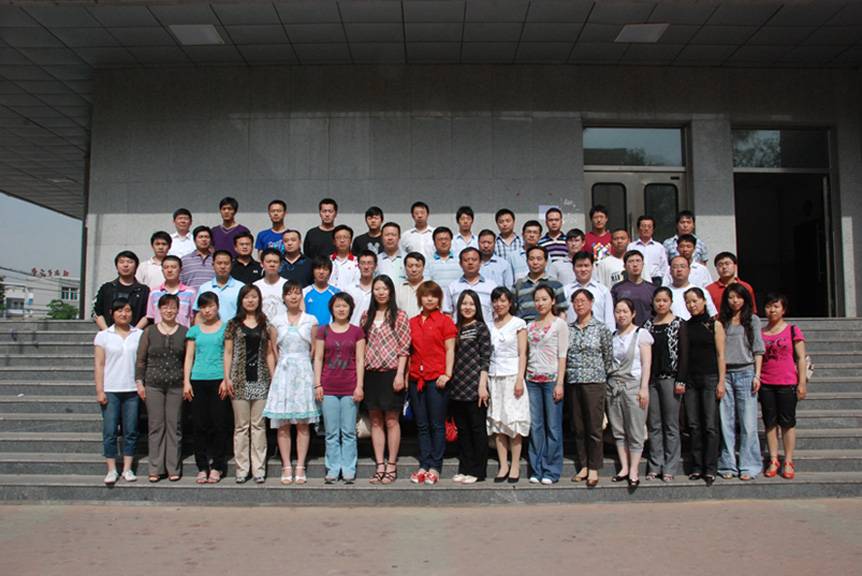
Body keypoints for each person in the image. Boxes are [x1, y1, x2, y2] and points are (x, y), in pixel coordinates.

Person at [263, 281, 320, 485]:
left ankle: (300, 465)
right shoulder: (276, 321)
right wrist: (275, 375)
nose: (293, 297)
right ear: (284, 297)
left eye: (297, 293)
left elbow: (314, 350)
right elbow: (272, 351)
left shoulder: (311, 320)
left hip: (303, 372)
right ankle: (286, 465)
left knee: (303, 424)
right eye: (289, 294)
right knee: (283, 424)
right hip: (283, 374)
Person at [223, 285, 276, 484]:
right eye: (247, 297)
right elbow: (228, 353)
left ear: (259, 300)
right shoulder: (233, 324)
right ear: (241, 300)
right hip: (239, 379)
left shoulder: (265, 324)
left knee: (259, 426)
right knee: (241, 426)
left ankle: (259, 468)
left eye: (254, 297)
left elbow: (269, 353)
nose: (250, 300)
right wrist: (226, 377)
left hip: (261, 379)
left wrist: (273, 377)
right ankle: (242, 469)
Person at [361, 275, 410, 484]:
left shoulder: (400, 316)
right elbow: (362, 345)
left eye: (384, 288)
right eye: (377, 289)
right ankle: (379, 463)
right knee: (375, 420)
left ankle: (391, 464)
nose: (381, 292)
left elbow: (404, 348)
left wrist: (400, 374)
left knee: (391, 420)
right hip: (371, 373)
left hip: (391, 373)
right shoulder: (366, 316)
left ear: (391, 291)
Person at [408, 280, 457, 486]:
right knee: (422, 425)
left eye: (434, 296)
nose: (429, 299)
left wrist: (447, 374)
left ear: (439, 299)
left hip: (437, 379)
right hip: (416, 378)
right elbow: (409, 351)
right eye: (426, 295)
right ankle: (424, 464)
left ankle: (435, 466)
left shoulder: (445, 321)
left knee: (437, 424)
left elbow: (450, 349)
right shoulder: (412, 322)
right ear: (420, 298)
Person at [314, 292, 365, 483]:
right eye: (337, 306)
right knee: (331, 432)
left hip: (350, 386)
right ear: (331, 309)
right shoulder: (323, 330)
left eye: (345, 306)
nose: (341, 309)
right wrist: (317, 384)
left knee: (349, 431)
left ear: (350, 309)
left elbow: (360, 360)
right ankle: (333, 468)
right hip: (328, 386)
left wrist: (359, 386)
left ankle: (349, 468)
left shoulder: (357, 332)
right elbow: (318, 358)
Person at [135, 294, 187, 483]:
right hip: (153, 384)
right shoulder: (149, 331)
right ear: (159, 309)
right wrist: (139, 382)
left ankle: (173, 467)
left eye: (172, 307)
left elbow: (188, 360)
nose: (169, 311)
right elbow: (141, 359)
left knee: (174, 426)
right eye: (165, 307)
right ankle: (155, 468)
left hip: (177, 384)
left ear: (178, 309)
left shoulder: (185, 332)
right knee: (156, 426)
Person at [565, 288, 613, 488]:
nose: (579, 304)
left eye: (583, 301)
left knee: (594, 427)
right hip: (574, 381)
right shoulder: (569, 329)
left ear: (591, 303)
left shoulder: (601, 328)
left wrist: (601, 375)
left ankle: (594, 466)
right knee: (578, 427)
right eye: (576, 301)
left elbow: (608, 356)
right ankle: (583, 465)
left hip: (595, 382)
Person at [718, 284, 765, 480]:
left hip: (746, 372)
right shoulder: (721, 321)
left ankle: (749, 465)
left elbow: (758, 349)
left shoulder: (752, 320)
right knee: (726, 422)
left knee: (748, 423)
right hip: (726, 374)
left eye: (738, 297)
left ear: (745, 299)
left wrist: (757, 375)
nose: (734, 301)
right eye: (731, 297)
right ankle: (727, 464)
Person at [94, 298, 143, 485]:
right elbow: (99, 365)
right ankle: (111, 469)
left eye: (128, 310)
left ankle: (128, 468)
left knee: (131, 430)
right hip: (111, 389)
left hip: (132, 390)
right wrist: (100, 390)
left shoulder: (139, 334)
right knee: (110, 431)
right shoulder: (103, 335)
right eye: (120, 310)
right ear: (112, 313)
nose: (124, 314)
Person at [760, 293, 807, 480]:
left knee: (787, 423)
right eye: (768, 306)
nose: (772, 310)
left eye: (776, 306)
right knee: (770, 423)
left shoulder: (792, 330)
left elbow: (801, 358)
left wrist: (801, 383)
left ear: (783, 310)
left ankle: (788, 460)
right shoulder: (761, 332)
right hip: (766, 383)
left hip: (787, 382)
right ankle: (773, 459)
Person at [606, 298, 653, 487]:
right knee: (618, 429)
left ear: (633, 313)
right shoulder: (612, 336)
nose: (621, 315)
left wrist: (644, 387)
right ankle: (624, 467)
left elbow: (646, 364)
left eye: (625, 311)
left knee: (635, 428)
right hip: (614, 387)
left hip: (634, 386)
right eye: (618, 311)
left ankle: (634, 469)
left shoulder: (641, 334)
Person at [642, 287, 688, 482]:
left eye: (664, 300)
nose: (661, 304)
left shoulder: (678, 324)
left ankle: (670, 465)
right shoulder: (648, 325)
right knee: (654, 424)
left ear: (670, 302)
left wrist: (681, 379)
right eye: (658, 300)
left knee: (671, 424)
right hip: (651, 380)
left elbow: (684, 354)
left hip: (671, 379)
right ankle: (655, 464)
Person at [183, 291, 229, 484]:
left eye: (210, 306)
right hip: (198, 379)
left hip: (218, 380)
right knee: (199, 425)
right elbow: (189, 357)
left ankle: (217, 466)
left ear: (217, 306)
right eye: (203, 307)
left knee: (219, 424)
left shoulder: (226, 328)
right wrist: (186, 381)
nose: (207, 310)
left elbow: (228, 354)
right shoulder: (194, 330)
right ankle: (202, 466)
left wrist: (226, 379)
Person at [683, 287, 726, 485]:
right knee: (693, 424)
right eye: (688, 302)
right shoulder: (685, 325)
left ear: (703, 301)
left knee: (710, 424)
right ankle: (697, 466)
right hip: (691, 380)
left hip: (710, 378)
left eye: (695, 301)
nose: (691, 305)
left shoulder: (714, 324)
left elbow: (721, 354)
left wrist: (721, 381)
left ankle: (710, 467)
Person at [526, 284, 568, 485]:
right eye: (537, 299)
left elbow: (562, 355)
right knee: (536, 426)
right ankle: (536, 468)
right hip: (532, 380)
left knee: (553, 426)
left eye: (544, 299)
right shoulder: (529, 325)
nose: (540, 303)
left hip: (551, 380)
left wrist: (560, 382)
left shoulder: (560, 324)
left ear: (552, 301)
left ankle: (551, 470)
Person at [448, 290, 491, 484]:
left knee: (477, 430)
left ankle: (478, 471)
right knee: (463, 431)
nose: (467, 307)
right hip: (457, 388)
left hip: (475, 387)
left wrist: (482, 385)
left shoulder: (481, 328)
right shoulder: (455, 328)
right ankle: (464, 468)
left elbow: (485, 358)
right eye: (464, 303)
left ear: (477, 307)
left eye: (471, 304)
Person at [487, 287, 528, 483]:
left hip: (512, 377)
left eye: (503, 300)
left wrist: (520, 378)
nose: (499, 304)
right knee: (498, 422)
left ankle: (515, 464)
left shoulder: (518, 323)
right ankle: (503, 464)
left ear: (510, 303)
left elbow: (523, 353)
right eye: (496, 301)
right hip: (494, 377)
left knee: (514, 421)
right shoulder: (489, 325)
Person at [94, 250, 149, 330]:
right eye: (121, 262)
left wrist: (134, 332)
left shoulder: (144, 290)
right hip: (109, 333)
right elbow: (97, 313)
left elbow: (147, 315)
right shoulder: (107, 288)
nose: (125, 265)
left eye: (130, 262)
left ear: (136, 266)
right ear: (116, 266)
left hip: (135, 334)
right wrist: (108, 332)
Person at [513, 245, 567, 322]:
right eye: (531, 259)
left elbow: (562, 312)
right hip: (524, 327)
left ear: (546, 261)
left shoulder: (556, 285)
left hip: (549, 326)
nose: (535, 262)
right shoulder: (518, 285)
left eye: (539, 259)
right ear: (527, 261)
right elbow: (512, 310)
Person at [562, 251, 614, 327]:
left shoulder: (603, 291)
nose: (583, 269)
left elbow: (609, 320)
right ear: (573, 268)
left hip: (599, 333)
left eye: (586, 266)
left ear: (592, 267)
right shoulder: (565, 291)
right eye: (579, 266)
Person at [444, 247, 497, 322]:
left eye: (474, 260)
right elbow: (447, 313)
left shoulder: (491, 286)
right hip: (459, 328)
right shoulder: (452, 287)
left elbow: (496, 312)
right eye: (466, 260)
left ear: (480, 262)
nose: (470, 263)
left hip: (486, 328)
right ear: (460, 264)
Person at [193, 250, 243, 323]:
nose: (223, 266)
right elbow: (199, 314)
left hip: (234, 329)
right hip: (210, 329)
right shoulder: (204, 288)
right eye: (219, 263)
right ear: (213, 265)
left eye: (226, 263)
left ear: (231, 265)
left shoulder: (241, 287)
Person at [145, 256, 195, 327]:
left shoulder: (190, 292)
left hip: (183, 333)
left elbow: (194, 317)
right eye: (166, 267)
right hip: (159, 333)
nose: (169, 270)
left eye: (173, 267)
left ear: (180, 270)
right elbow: (150, 317)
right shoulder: (154, 293)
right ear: (162, 270)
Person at [611, 250, 656, 327]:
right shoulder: (617, 289)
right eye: (631, 261)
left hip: (648, 330)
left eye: (638, 261)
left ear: (643, 264)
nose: (635, 264)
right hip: (624, 330)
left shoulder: (652, 289)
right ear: (625, 266)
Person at [629, 215, 669, 286]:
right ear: (638, 229)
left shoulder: (659, 247)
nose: (646, 229)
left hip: (655, 280)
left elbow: (664, 267)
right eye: (643, 226)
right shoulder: (631, 246)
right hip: (637, 279)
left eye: (649, 226)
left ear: (653, 229)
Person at [302, 257, 340, 326]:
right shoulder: (304, 292)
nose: (321, 272)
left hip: (330, 331)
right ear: (313, 271)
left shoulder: (337, 293)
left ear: (330, 272)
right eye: (318, 268)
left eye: (325, 269)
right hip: (310, 331)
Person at [253, 248, 287, 322]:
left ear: (280, 265)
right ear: (261, 264)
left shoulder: (287, 285)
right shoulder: (255, 287)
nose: (272, 264)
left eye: (275, 262)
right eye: (268, 262)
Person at [180, 226, 214, 292]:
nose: (204, 239)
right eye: (200, 237)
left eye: (206, 237)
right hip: (191, 297)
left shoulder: (216, 260)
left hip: (212, 297)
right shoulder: (184, 260)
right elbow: (180, 283)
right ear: (194, 240)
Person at [346, 250, 377, 325]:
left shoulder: (379, 289)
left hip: (374, 331)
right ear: (358, 265)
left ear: (375, 266)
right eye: (363, 263)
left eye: (369, 263)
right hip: (353, 329)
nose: (366, 267)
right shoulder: (349, 290)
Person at [329, 224, 360, 291]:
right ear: (334, 241)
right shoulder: (328, 260)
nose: (342, 240)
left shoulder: (358, 262)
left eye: (345, 237)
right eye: (338, 237)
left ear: (350, 240)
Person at [396, 252, 425, 318]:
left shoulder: (431, 288)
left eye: (418, 266)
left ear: (423, 267)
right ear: (405, 268)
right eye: (410, 266)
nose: (414, 270)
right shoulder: (398, 289)